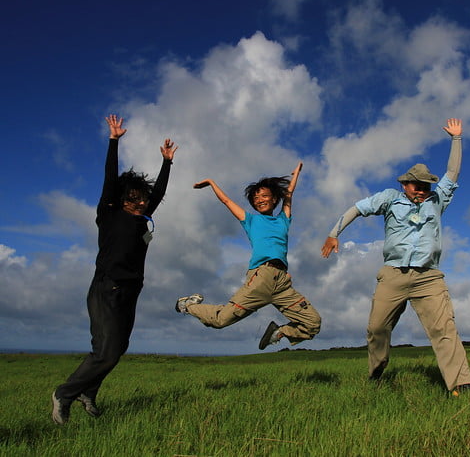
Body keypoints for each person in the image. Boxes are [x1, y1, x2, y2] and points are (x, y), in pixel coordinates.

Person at [321, 118, 470, 396]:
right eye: (415, 185)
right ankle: (376, 373)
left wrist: (456, 139)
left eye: (425, 185)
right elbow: (356, 208)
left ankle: (459, 384)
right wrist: (334, 233)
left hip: (428, 277)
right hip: (393, 274)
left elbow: (453, 172)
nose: (420, 189)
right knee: (376, 328)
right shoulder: (390, 198)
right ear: (405, 185)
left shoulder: (437, 201)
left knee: (444, 329)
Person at [52, 114, 178, 424]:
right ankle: (64, 394)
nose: (140, 203)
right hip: (106, 287)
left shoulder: (142, 220)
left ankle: (87, 392)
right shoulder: (109, 213)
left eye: (142, 199)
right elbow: (110, 179)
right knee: (105, 351)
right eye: (133, 198)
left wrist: (167, 163)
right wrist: (113, 141)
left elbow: (159, 193)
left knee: (117, 348)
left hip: (131, 290)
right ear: (122, 199)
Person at [176, 162, 321, 350]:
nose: (259, 199)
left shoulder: (283, 220)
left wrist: (296, 174)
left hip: (282, 283)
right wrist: (212, 183)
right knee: (221, 320)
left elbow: (289, 193)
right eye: (255, 197)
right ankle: (188, 305)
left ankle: (280, 332)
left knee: (313, 323)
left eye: (264, 196)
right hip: (261, 278)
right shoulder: (251, 220)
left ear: (274, 199)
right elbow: (226, 201)